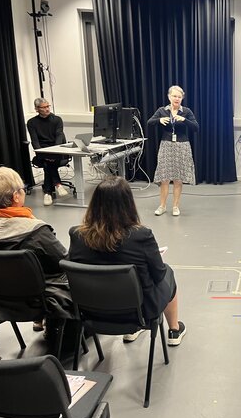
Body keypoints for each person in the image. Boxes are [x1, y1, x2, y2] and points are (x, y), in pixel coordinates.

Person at [68, 176, 186, 345]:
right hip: (139, 312)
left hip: (90, 310)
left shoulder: (77, 235)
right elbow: (159, 275)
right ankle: (174, 330)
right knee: (168, 272)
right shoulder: (141, 236)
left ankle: (133, 331)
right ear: (128, 204)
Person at [0, 167, 71, 335]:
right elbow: (63, 262)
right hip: (38, 302)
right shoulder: (34, 231)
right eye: (23, 189)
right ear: (16, 196)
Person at [147, 85, 199, 217]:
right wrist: (159, 120)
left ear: (182, 98)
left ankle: (175, 206)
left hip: (182, 146)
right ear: (169, 97)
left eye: (179, 97)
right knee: (164, 178)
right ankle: (162, 206)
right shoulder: (162, 110)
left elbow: (196, 127)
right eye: (174, 96)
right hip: (166, 145)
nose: (177, 99)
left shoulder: (186, 111)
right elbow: (149, 122)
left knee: (178, 179)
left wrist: (185, 120)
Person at [27, 97, 70, 206]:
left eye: (48, 106)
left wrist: (54, 153)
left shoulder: (57, 120)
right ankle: (58, 184)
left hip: (58, 150)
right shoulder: (31, 122)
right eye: (44, 107)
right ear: (37, 109)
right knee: (47, 162)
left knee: (48, 164)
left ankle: (48, 192)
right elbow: (35, 141)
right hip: (42, 151)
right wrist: (43, 154)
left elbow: (59, 138)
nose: (47, 109)